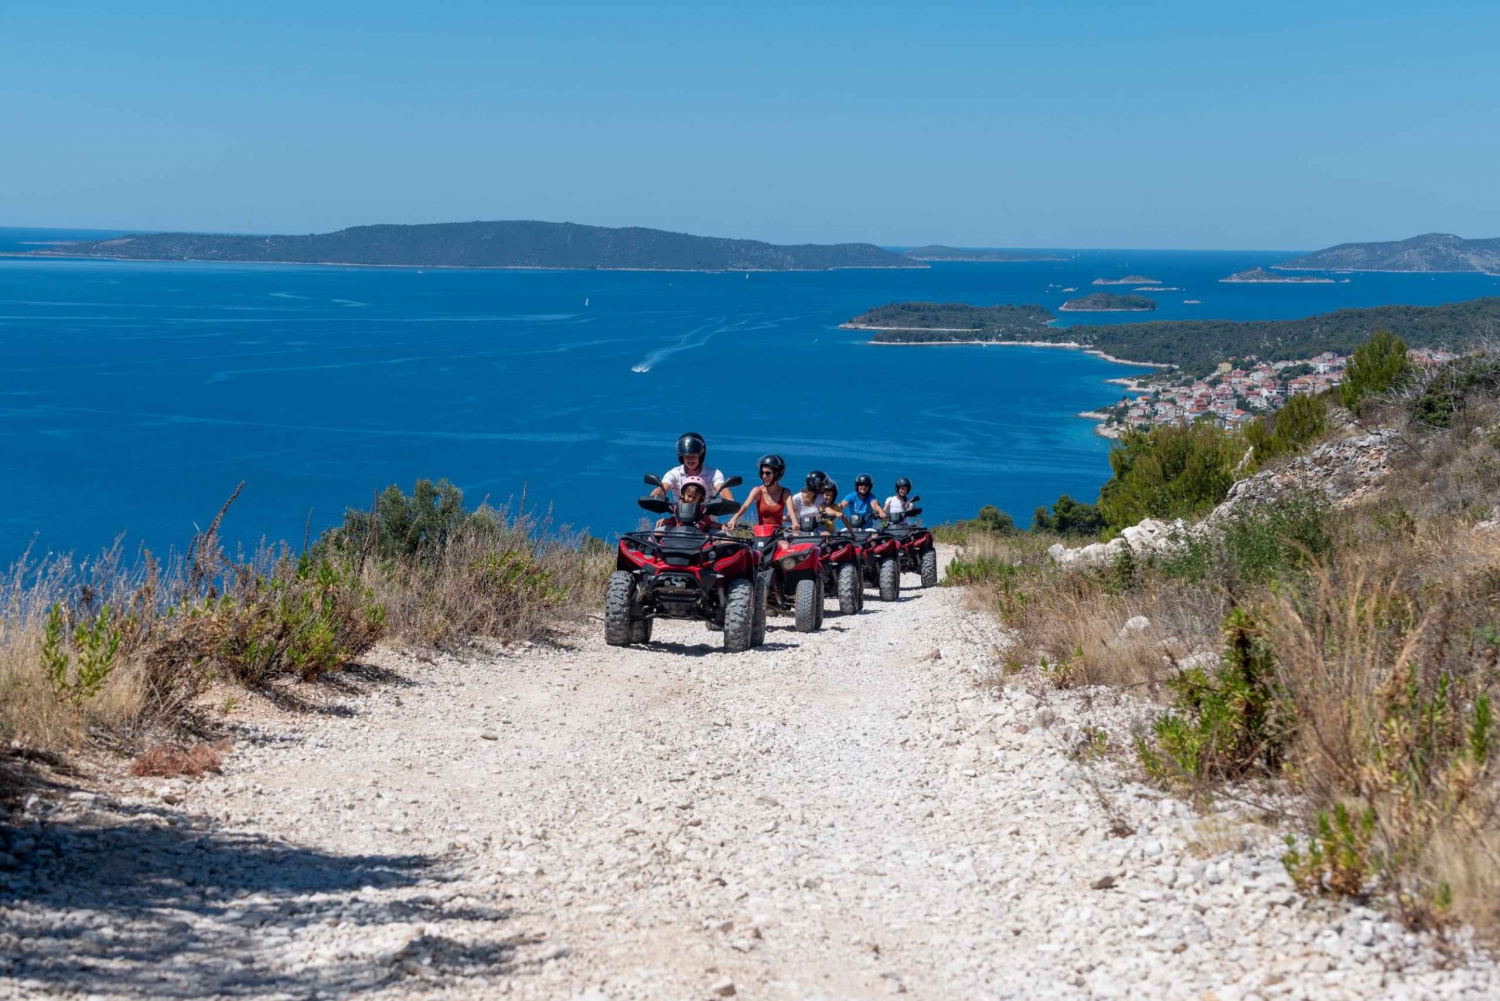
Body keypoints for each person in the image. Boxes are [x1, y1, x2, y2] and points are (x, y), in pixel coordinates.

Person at [654, 431, 733, 502]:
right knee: (662, 519)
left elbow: (722, 489)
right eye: (687, 456)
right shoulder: (673, 474)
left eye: (694, 456)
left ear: (700, 456)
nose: (690, 459)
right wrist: (654, 497)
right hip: (678, 516)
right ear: (682, 457)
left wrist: (729, 500)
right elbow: (662, 489)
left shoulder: (714, 474)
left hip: (706, 517)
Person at [726, 453, 792, 531]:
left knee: (784, 544)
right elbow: (745, 506)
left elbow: (791, 510)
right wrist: (733, 519)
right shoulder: (757, 491)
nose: (764, 476)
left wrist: (795, 524)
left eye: (768, 473)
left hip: (777, 534)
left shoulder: (785, 492)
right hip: (761, 533)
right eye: (762, 473)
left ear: (777, 475)